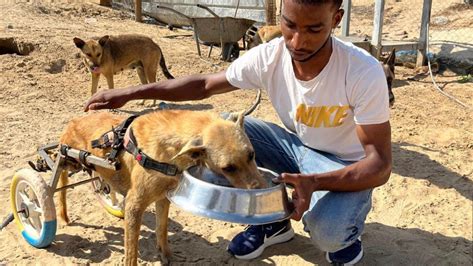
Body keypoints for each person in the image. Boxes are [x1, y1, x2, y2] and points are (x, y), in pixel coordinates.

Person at [84, 0, 392, 264]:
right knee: (225, 133)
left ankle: (346, 238)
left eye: (314, 29)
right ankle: (273, 224)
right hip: (295, 146)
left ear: (335, 19)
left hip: (343, 165)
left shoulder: (362, 71)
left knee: (329, 233)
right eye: (289, 25)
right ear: (280, 14)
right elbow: (203, 86)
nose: (297, 42)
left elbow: (379, 165)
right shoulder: (271, 55)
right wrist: (129, 93)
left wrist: (316, 181)